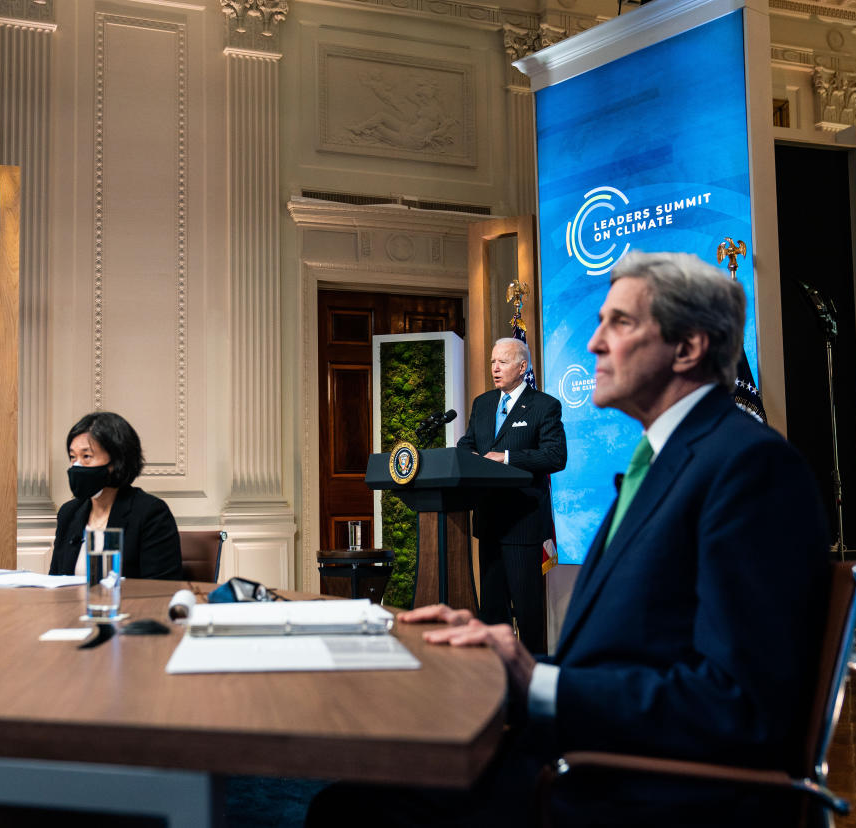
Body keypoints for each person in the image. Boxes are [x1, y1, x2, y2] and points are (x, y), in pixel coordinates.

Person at [307, 252, 829, 826]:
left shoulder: (750, 469)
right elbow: (619, 653)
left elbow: (739, 708)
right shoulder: (660, 460)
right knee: (354, 791)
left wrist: (536, 679)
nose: (593, 344)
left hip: (627, 789)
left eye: (620, 323)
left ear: (689, 347)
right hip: (579, 751)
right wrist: (497, 657)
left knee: (346, 812)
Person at [457, 336, 566, 652]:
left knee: (528, 614)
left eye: (502, 362)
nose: (495, 368)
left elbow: (555, 456)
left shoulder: (545, 406)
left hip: (524, 525)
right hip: (489, 523)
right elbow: (469, 444)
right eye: (492, 361)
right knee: (492, 613)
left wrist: (504, 456)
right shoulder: (483, 403)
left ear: (522, 367)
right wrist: (465, 457)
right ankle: (497, 681)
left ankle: (533, 679)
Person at [49, 411, 182, 580]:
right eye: (73, 457)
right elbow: (54, 581)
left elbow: (161, 589)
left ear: (116, 460)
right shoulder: (69, 513)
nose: (77, 465)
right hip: (72, 606)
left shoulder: (150, 513)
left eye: (86, 456)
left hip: (126, 606)